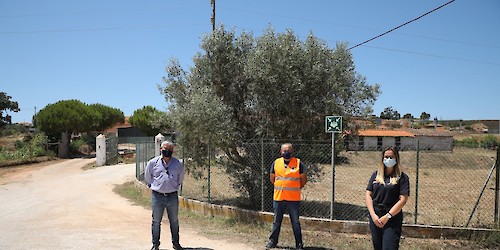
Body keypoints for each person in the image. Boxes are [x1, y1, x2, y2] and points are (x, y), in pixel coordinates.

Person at [365, 146, 410, 250]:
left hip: (392, 217)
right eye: (386, 157)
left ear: (396, 159)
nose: (388, 159)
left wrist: (388, 216)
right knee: (378, 247)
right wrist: (373, 215)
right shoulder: (376, 175)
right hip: (375, 215)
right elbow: (368, 194)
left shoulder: (402, 178)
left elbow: (403, 199)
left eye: (391, 157)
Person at [266, 143, 307, 250]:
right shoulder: (276, 163)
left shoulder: (298, 163)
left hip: (293, 199)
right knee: (276, 221)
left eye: (288, 150)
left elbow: (303, 180)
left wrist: (296, 187)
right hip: (279, 197)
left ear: (292, 151)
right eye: (284, 150)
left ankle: (299, 244)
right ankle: (272, 241)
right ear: (281, 152)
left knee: (295, 222)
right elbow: (272, 178)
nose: (286, 152)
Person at [145, 140, 185, 250]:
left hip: (172, 196)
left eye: (170, 150)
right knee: (156, 221)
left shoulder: (177, 164)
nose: (167, 151)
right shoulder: (152, 163)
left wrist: (173, 186)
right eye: (165, 149)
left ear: (173, 151)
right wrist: (154, 186)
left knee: (174, 221)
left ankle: (176, 243)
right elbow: (148, 177)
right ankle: (155, 244)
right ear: (160, 150)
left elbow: (180, 178)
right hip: (157, 197)